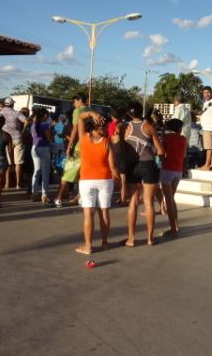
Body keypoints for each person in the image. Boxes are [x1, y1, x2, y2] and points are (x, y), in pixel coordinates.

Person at [75, 110, 119, 254]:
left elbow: (80, 118)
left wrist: (92, 113)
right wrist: (119, 181)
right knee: (104, 213)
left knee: (88, 214)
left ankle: (88, 246)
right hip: (105, 180)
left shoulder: (83, 138)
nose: (106, 129)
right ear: (95, 127)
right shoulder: (107, 142)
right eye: (103, 127)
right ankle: (105, 242)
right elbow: (112, 165)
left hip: (87, 181)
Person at [121, 102, 164, 246]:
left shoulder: (124, 128)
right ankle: (150, 238)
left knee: (132, 203)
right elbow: (160, 150)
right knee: (148, 203)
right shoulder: (148, 127)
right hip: (148, 165)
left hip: (132, 165)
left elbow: (122, 148)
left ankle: (131, 239)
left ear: (129, 114)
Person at [54, 93, 91, 208]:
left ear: (80, 100)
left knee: (67, 172)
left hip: (79, 146)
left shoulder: (78, 111)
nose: (73, 104)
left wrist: (69, 146)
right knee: (83, 173)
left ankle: (58, 198)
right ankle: (81, 197)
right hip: (90, 144)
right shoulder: (90, 110)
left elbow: (75, 129)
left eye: (74, 101)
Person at [160, 118, 187, 237]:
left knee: (169, 200)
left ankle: (173, 228)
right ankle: (175, 224)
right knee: (172, 198)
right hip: (178, 170)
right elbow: (184, 154)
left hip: (167, 170)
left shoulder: (167, 139)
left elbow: (161, 152)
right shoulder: (183, 139)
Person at [0, 97, 27, 189]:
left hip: (6, 138)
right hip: (17, 138)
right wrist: (22, 130)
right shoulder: (16, 113)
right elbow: (26, 121)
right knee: (18, 163)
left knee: (8, 162)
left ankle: (7, 184)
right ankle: (18, 184)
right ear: (12, 104)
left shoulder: (1, 113)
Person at [30, 107, 53, 203]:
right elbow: (49, 139)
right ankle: (45, 194)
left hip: (34, 148)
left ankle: (35, 193)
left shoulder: (33, 125)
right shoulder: (45, 125)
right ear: (45, 116)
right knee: (45, 172)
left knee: (36, 171)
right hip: (44, 149)